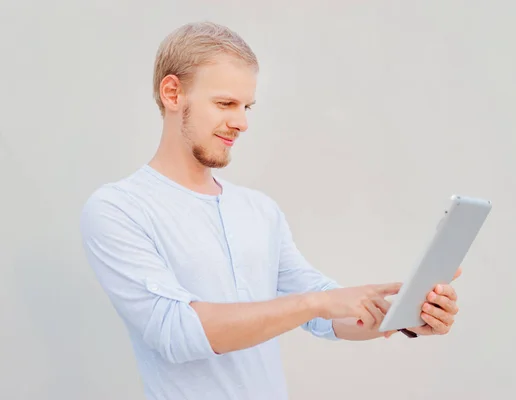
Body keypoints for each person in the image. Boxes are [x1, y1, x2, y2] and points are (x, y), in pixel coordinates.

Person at [79, 21, 461, 400]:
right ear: (172, 92)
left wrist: (402, 316)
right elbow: (178, 333)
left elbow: (324, 315)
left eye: (247, 106)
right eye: (225, 103)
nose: (242, 122)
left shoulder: (259, 210)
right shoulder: (119, 209)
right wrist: (317, 302)